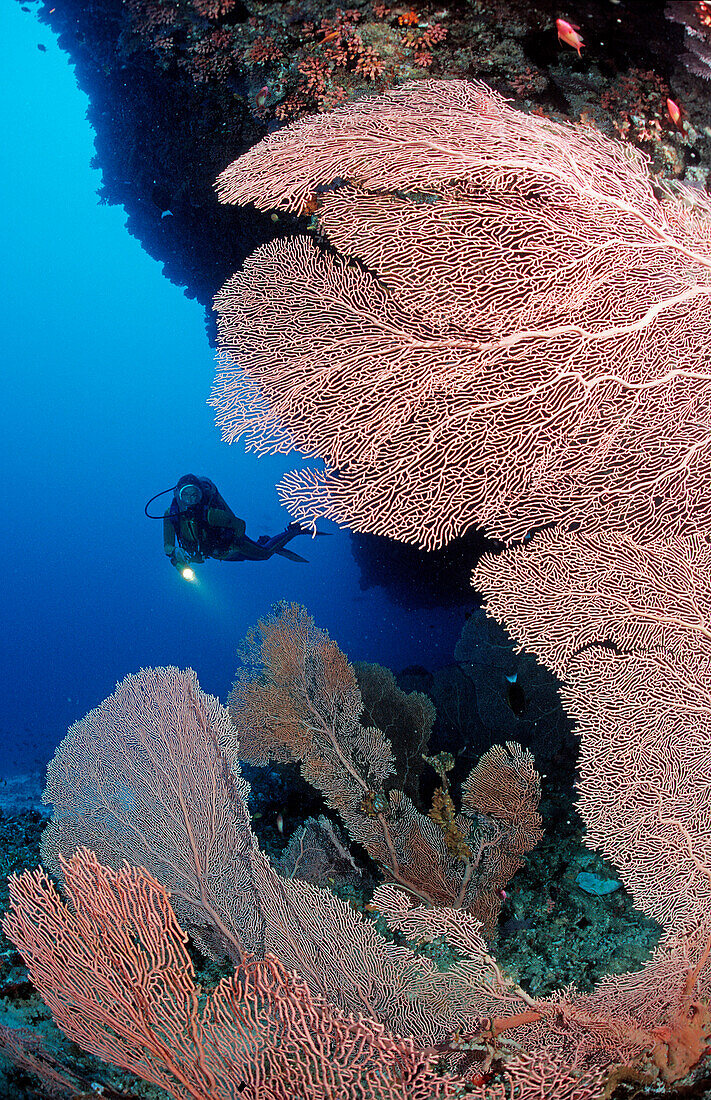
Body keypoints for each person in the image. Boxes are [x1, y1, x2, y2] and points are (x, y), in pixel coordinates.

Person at [163, 474, 312, 571]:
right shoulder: (171, 515)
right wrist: (175, 551)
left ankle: (293, 530)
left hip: (231, 546)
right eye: (186, 495)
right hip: (217, 554)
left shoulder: (211, 515)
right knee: (248, 557)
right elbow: (167, 545)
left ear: (200, 495)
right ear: (178, 495)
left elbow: (239, 524)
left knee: (264, 554)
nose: (190, 500)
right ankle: (262, 541)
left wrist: (235, 543)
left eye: (194, 494)